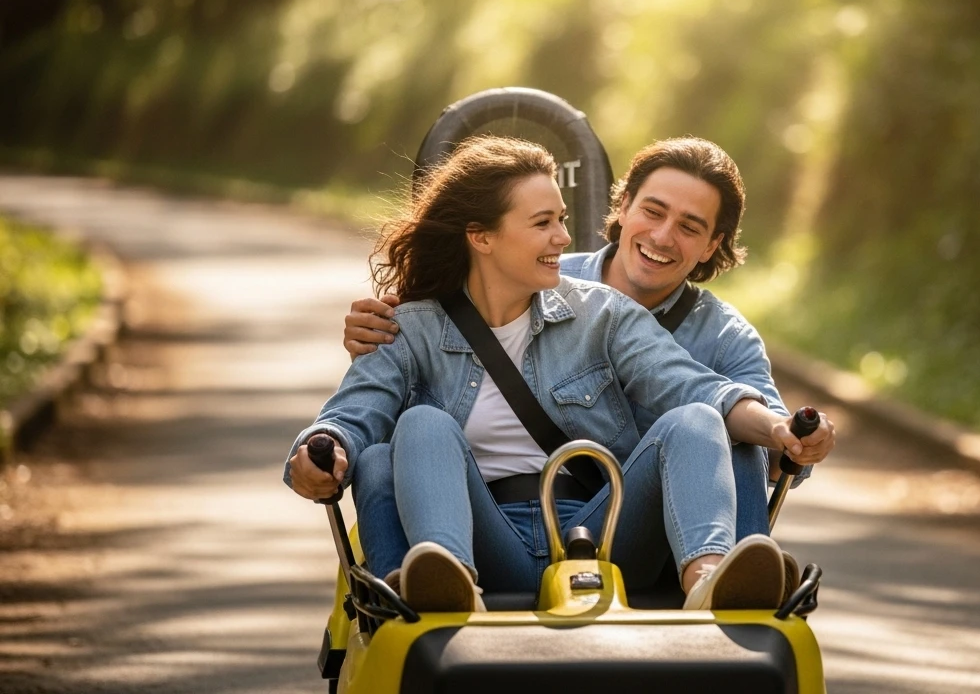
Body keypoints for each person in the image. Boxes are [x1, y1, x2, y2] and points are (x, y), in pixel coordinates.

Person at [285, 135, 834, 614]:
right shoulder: (414, 325)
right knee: (415, 427)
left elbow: (696, 387)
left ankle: (710, 583)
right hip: (485, 533)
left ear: (713, 243)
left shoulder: (602, 311)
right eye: (544, 223)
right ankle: (446, 585)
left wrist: (782, 429)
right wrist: (324, 446)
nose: (564, 239)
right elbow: (352, 416)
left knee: (701, 418)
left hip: (604, 528)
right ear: (482, 237)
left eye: (563, 221)